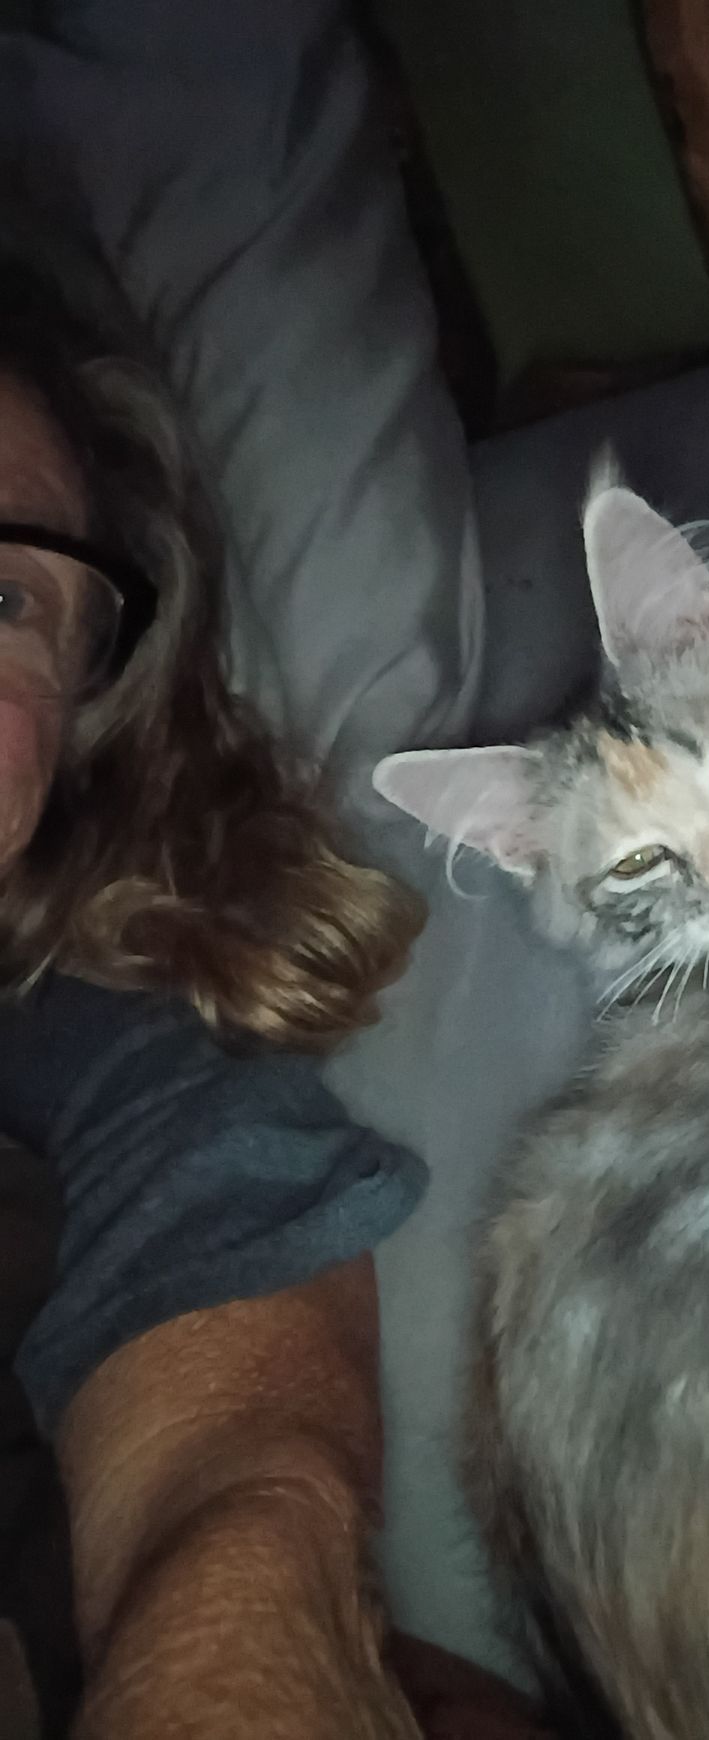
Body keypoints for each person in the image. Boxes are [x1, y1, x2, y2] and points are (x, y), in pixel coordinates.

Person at [0, 200, 435, 1737]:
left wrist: (240, 1633)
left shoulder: (110, 1067)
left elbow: (247, 1486)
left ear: (79, 720)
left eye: (6, 600)